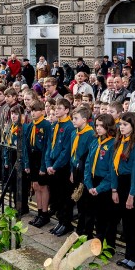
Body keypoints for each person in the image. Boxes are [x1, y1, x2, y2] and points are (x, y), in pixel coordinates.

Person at [110, 112, 135, 270]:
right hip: (121, 184)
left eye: (125, 125)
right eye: (120, 124)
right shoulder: (119, 142)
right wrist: (114, 189)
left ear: (133, 126)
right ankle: (128, 255)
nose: (122, 127)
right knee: (126, 224)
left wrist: (132, 195)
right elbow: (113, 166)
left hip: (133, 187)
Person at [42, 99, 75, 231]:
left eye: (60, 108)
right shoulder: (55, 125)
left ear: (67, 110)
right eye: (56, 108)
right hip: (53, 166)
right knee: (55, 197)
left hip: (62, 168)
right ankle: (60, 220)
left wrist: (54, 166)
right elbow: (49, 146)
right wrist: (48, 164)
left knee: (64, 197)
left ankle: (66, 223)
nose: (56, 110)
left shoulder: (69, 127)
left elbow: (66, 151)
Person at [84, 113, 117, 248]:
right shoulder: (95, 142)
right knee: (93, 215)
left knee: (105, 217)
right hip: (92, 181)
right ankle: (94, 242)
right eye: (96, 125)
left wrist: (99, 188)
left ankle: (107, 245)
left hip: (105, 184)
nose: (98, 128)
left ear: (108, 127)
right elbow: (87, 164)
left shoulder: (113, 144)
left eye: (101, 126)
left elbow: (112, 171)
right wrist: (88, 183)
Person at [68, 105, 95, 238]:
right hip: (76, 170)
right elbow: (73, 155)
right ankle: (80, 228)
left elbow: (89, 156)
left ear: (84, 120)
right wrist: (72, 171)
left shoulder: (90, 134)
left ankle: (88, 232)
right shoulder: (74, 133)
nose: (73, 120)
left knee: (87, 203)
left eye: (76, 118)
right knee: (79, 201)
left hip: (85, 172)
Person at [24, 101, 51, 224]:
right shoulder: (31, 125)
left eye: (36, 110)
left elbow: (47, 147)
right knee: (35, 186)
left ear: (43, 112)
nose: (33, 113)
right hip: (32, 158)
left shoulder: (46, 126)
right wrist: (27, 164)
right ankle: (39, 212)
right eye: (32, 111)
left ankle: (45, 214)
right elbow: (26, 146)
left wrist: (43, 166)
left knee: (43, 186)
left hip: (41, 158)